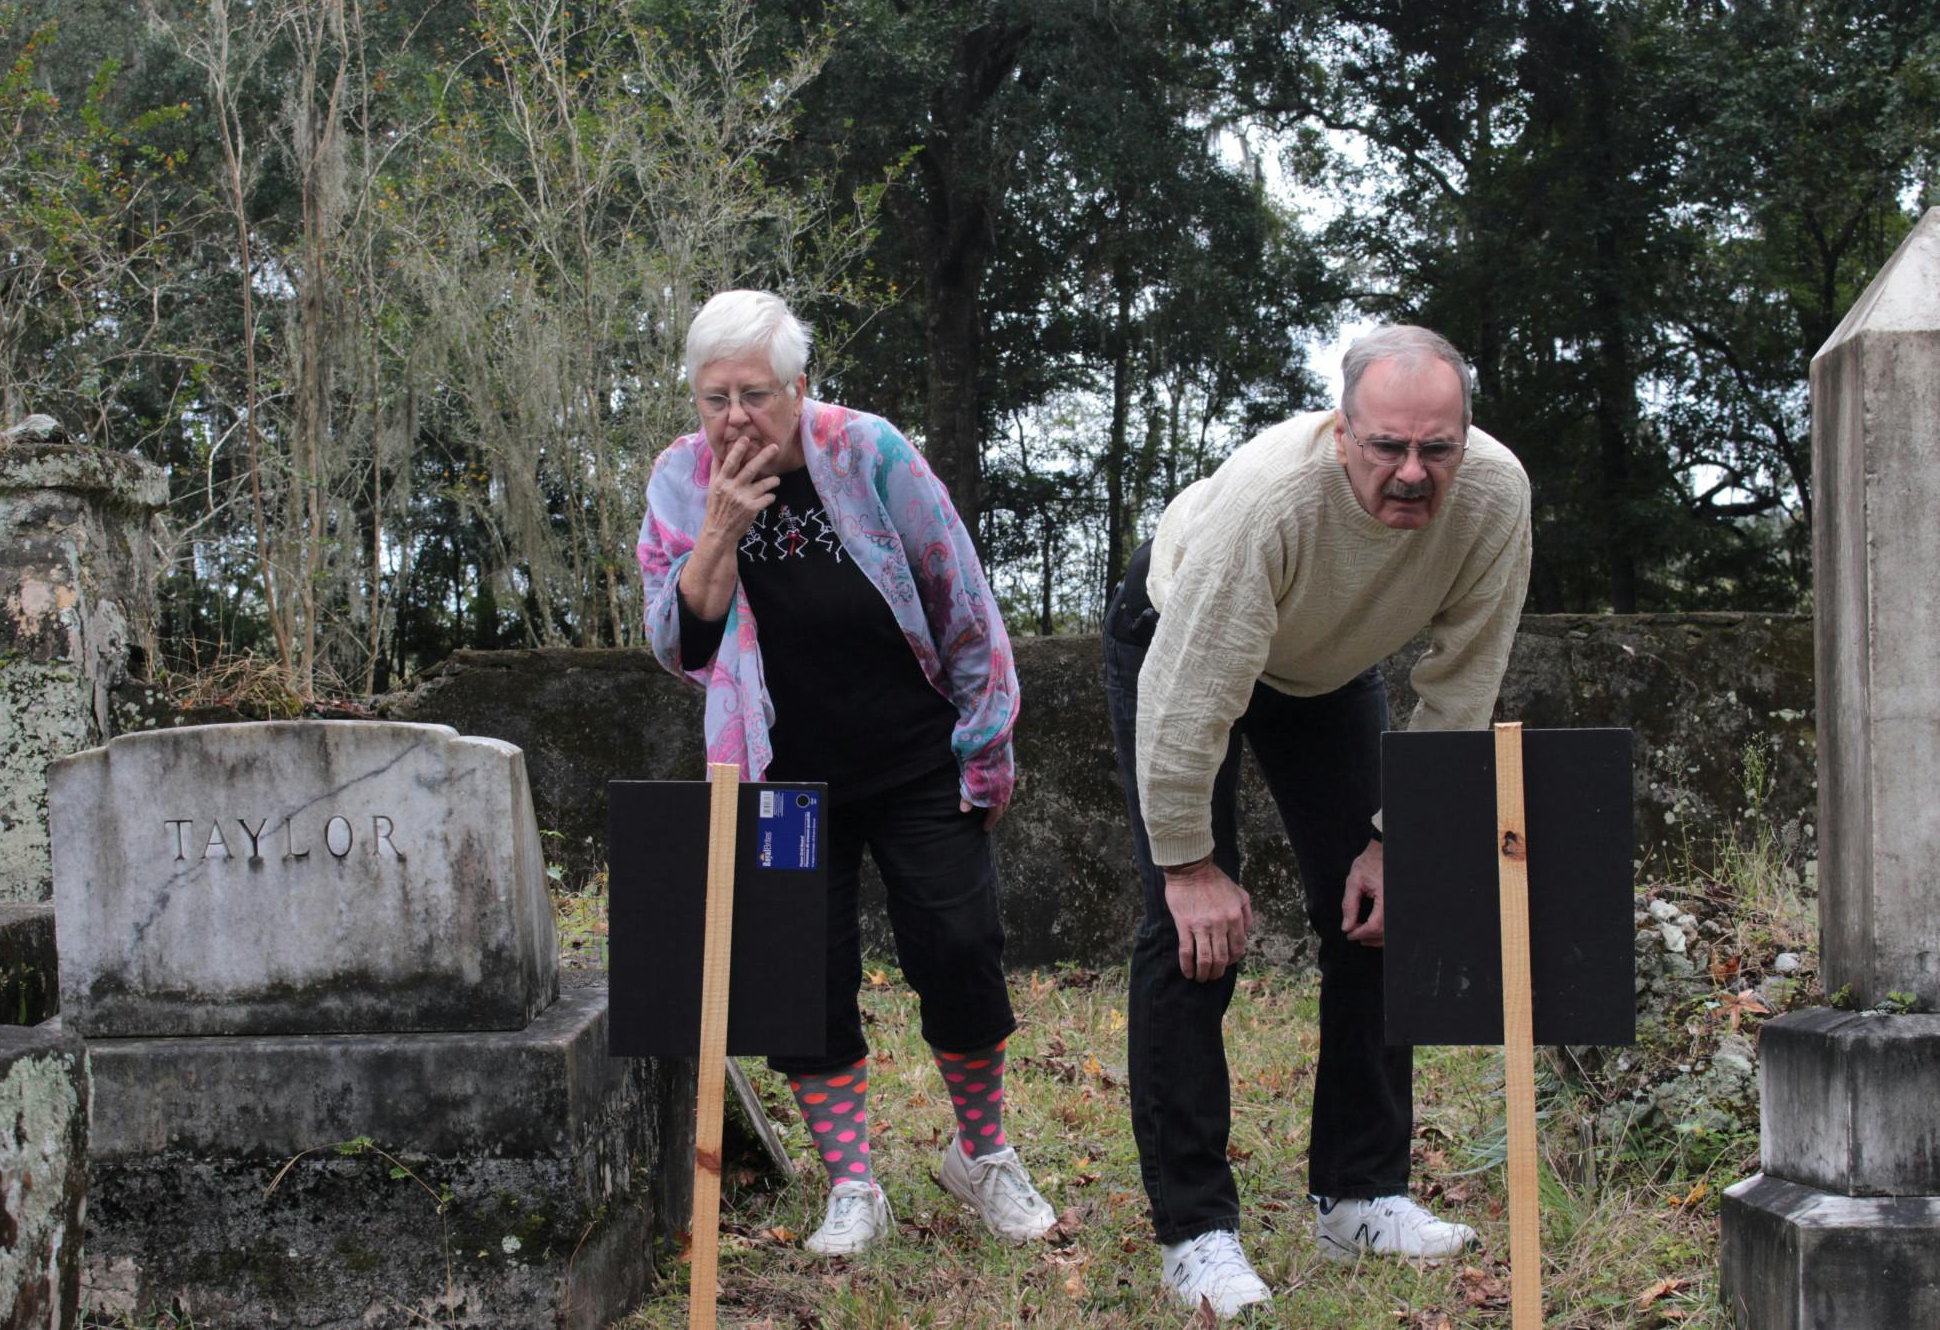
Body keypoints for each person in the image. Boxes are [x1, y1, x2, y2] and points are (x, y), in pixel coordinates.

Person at [1102, 325, 1533, 1317]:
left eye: (1437, 447)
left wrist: (1396, 837)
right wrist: (1189, 866)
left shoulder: (1495, 496)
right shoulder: (1269, 504)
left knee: (1386, 909)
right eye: (1387, 447)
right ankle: (1196, 1232)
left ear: (1465, 435)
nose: (1413, 473)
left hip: (1324, 665)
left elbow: (1461, 683)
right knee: (1189, 937)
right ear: (1341, 432)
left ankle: (1360, 1192)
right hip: (1180, 635)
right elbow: (1182, 707)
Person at [638, 290, 1056, 1256]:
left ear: (800, 386)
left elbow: (960, 595)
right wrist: (719, 532)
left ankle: (982, 1154)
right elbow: (679, 641)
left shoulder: (869, 452)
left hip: (915, 756)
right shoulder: (680, 478)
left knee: (958, 948)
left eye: (754, 393)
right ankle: (852, 1183)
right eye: (714, 398)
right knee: (806, 977)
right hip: (783, 774)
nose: (733, 416)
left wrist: (986, 744)